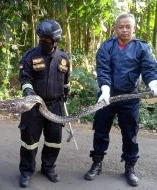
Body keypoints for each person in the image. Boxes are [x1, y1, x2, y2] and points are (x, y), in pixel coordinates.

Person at [84, 13, 157, 187]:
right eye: (121, 26)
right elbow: (103, 69)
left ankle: (130, 167)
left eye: (128, 26)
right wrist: (105, 89)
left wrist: (153, 82)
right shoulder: (107, 46)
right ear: (115, 28)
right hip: (106, 96)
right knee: (100, 130)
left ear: (134, 28)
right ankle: (97, 163)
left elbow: (148, 68)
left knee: (130, 134)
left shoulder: (142, 47)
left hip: (130, 98)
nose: (124, 30)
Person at [18, 19, 71, 188]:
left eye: (48, 40)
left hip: (55, 106)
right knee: (29, 140)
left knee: (54, 140)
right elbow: (24, 78)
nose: (44, 42)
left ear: (56, 40)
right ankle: (26, 171)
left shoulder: (64, 58)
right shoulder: (30, 56)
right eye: (42, 39)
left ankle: (48, 167)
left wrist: (66, 94)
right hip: (33, 106)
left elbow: (66, 82)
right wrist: (28, 91)